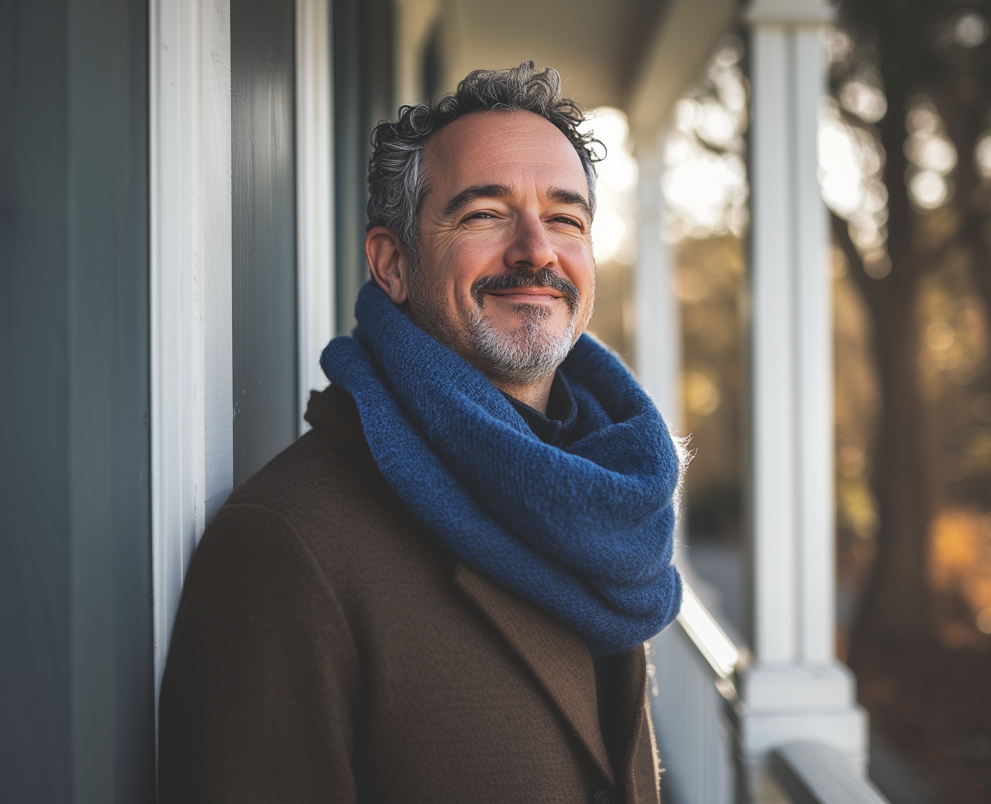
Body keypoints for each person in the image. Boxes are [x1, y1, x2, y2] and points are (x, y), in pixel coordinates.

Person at [158, 62, 683, 804]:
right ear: (393, 265)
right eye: (484, 214)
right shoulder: (284, 544)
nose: (537, 248)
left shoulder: (608, 507)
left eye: (566, 218)